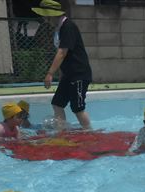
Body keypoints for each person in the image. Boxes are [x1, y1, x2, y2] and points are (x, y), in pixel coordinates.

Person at [33, 0, 92, 130]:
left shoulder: (68, 27)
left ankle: (89, 132)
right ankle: (62, 132)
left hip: (78, 74)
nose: (44, 19)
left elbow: (62, 52)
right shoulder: (59, 28)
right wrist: (62, 73)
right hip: (68, 75)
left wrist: (50, 73)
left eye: (45, 16)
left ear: (51, 15)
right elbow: (64, 55)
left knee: (77, 108)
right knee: (57, 103)